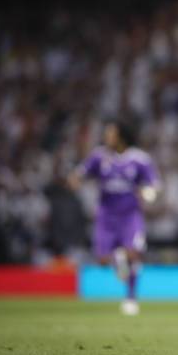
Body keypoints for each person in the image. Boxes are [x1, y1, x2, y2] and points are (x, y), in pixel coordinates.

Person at [69, 121, 160, 315]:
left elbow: (153, 184)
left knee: (134, 254)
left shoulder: (139, 159)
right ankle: (118, 259)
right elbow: (80, 174)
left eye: (110, 133)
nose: (106, 136)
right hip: (106, 216)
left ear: (121, 136)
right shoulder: (99, 156)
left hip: (130, 215)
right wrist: (75, 180)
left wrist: (148, 192)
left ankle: (130, 298)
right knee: (102, 259)